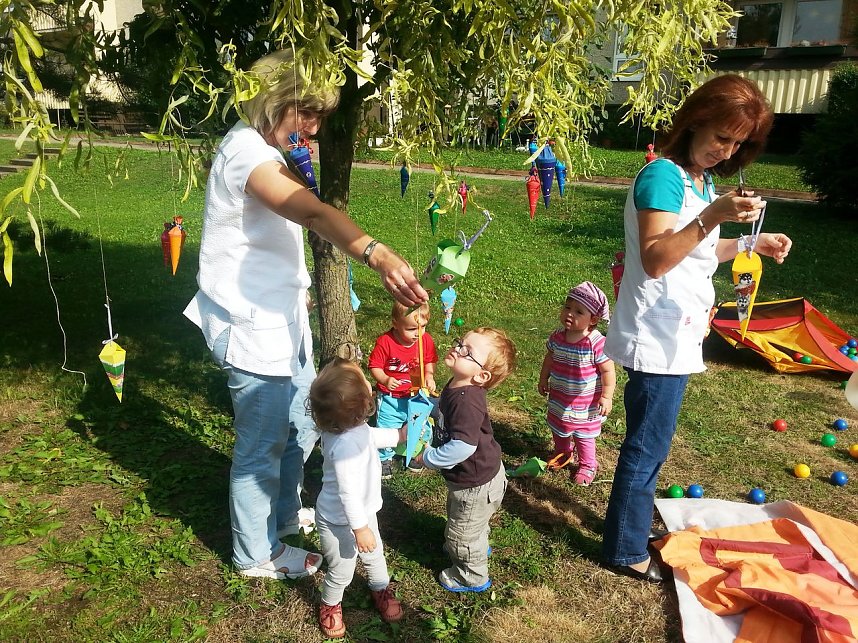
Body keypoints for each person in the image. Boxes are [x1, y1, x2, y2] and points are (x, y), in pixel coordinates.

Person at [182, 49, 428, 580]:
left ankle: (285, 517)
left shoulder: (267, 149)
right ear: (273, 102)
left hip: (282, 318)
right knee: (261, 446)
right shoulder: (245, 152)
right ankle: (256, 554)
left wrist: (297, 291)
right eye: (305, 111)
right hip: (249, 326)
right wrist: (376, 253)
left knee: (297, 427)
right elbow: (311, 211)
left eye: (320, 115)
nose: (313, 127)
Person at [601, 74, 792, 583]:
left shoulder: (700, 181)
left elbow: (698, 250)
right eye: (720, 136)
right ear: (694, 121)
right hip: (656, 334)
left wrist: (752, 243)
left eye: (737, 143)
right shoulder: (662, 177)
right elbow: (659, 257)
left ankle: (629, 530)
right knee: (646, 447)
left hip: (680, 332)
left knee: (651, 444)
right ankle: (623, 549)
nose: (725, 150)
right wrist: (711, 216)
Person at [412, 328, 517, 593]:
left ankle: (471, 575)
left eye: (467, 352)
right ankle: (474, 542)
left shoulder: (467, 401)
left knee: (462, 533)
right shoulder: (457, 384)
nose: (457, 348)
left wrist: (429, 457)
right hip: (476, 478)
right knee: (468, 520)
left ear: (481, 375)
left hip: (475, 482)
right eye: (460, 343)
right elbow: (446, 410)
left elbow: (463, 447)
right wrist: (432, 405)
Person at [308, 359, 405, 639]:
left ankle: (380, 588)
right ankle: (330, 604)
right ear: (362, 404)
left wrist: (398, 435)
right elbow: (347, 493)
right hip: (340, 521)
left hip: (363, 514)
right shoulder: (344, 447)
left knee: (375, 555)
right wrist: (359, 528)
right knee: (343, 568)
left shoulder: (349, 427)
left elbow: (370, 436)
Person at [538, 281, 615, 485]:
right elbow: (550, 357)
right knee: (559, 426)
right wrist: (543, 378)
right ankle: (563, 453)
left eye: (579, 311)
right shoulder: (558, 336)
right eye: (567, 307)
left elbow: (608, 370)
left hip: (586, 402)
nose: (569, 314)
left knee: (583, 434)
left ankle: (588, 464)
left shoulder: (596, 343)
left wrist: (606, 397)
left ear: (594, 319)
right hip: (561, 395)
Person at [368, 302, 438, 477]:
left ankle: (415, 452)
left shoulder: (425, 340)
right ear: (395, 323)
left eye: (423, 327)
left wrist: (429, 375)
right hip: (391, 397)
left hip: (417, 393)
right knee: (387, 425)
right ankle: (384, 457)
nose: (418, 333)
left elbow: (429, 360)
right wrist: (385, 378)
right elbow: (374, 365)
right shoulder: (386, 342)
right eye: (412, 329)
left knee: (419, 424)